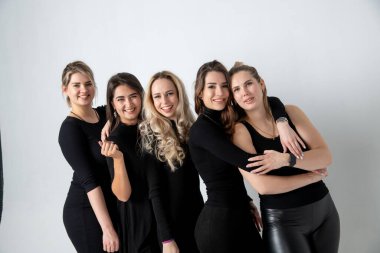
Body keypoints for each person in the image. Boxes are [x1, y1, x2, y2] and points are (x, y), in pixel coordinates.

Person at [188, 60, 326, 253]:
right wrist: (307, 172)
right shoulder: (202, 129)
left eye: (225, 86)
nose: (219, 93)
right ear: (200, 93)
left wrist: (282, 122)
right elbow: (249, 162)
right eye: (211, 87)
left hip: (242, 214)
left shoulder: (227, 118)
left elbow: (271, 101)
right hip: (218, 224)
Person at [229, 62, 340, 253]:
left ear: (261, 84)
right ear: (233, 97)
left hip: (324, 212)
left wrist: (287, 159)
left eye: (248, 84)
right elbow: (264, 186)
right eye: (237, 89)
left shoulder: (291, 113)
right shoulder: (239, 132)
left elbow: (325, 156)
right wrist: (311, 176)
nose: (244, 92)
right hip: (283, 222)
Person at [139, 71, 204, 253]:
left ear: (179, 94)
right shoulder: (150, 134)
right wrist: (166, 238)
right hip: (172, 229)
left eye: (169, 93)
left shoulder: (191, 128)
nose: (164, 102)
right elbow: (155, 191)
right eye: (157, 96)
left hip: (198, 219)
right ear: (151, 101)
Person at [58, 61, 119, 253]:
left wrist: (110, 119)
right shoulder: (70, 129)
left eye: (88, 83)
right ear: (65, 89)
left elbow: (134, 104)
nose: (84, 90)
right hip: (85, 211)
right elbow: (89, 181)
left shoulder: (104, 114)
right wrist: (107, 229)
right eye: (76, 85)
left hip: (111, 204)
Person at [99, 73, 161, 253]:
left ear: (142, 96)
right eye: (121, 99)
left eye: (133, 96)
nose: (129, 104)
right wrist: (118, 159)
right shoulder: (114, 140)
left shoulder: (152, 127)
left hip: (160, 215)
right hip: (138, 221)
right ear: (113, 104)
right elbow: (123, 195)